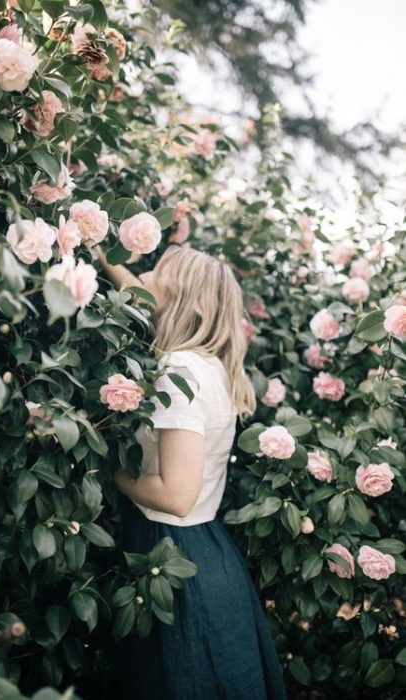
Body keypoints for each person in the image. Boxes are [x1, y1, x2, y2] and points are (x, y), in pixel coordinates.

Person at [98, 244, 288, 700]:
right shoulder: (211, 366)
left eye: (158, 273)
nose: (146, 280)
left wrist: (105, 468)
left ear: (177, 293)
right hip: (206, 550)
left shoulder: (178, 369)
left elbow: (176, 494)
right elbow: (137, 288)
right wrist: (100, 247)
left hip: (171, 556)